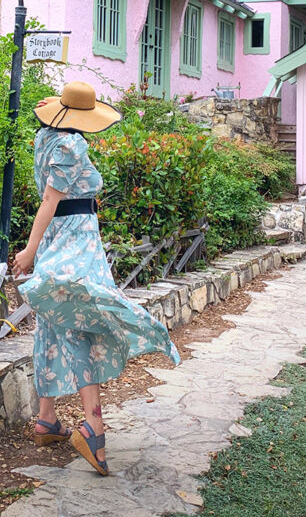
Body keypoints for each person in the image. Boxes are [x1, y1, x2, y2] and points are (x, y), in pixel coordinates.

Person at [13, 81, 180, 476]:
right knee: (85, 319)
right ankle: (93, 425)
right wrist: (29, 251)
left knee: (56, 318)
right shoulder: (73, 146)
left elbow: (50, 192)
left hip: (62, 237)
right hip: (77, 238)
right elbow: (50, 202)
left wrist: (55, 111)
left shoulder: (45, 138)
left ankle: (47, 418)